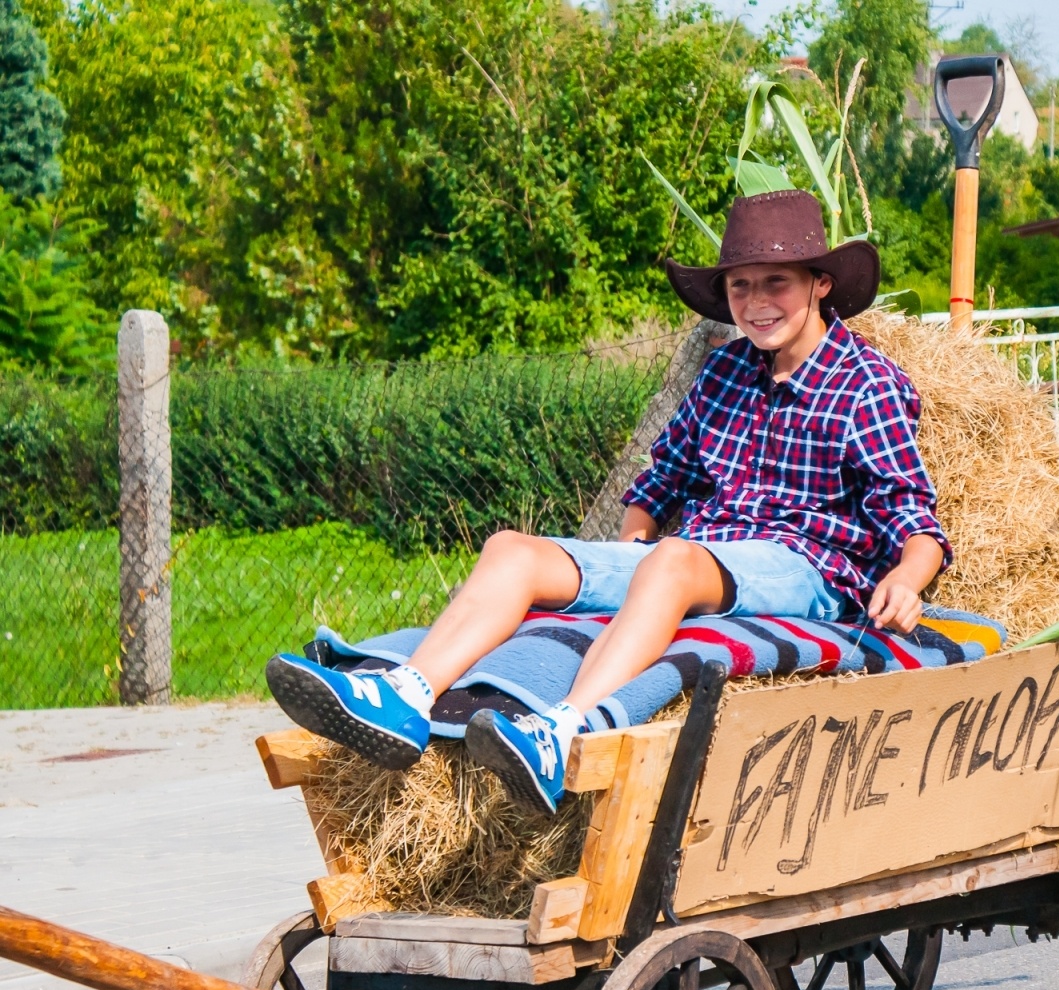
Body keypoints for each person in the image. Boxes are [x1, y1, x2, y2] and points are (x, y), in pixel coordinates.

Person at [265, 190, 951, 813]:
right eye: (741, 286)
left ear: (820, 284)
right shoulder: (725, 371)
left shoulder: (867, 385)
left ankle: (560, 732)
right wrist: (634, 538)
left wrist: (906, 579)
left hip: (803, 568)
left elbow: (915, 519)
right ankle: (406, 696)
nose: (757, 301)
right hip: (703, 555)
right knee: (513, 551)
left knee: (672, 563)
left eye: (777, 282)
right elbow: (660, 480)